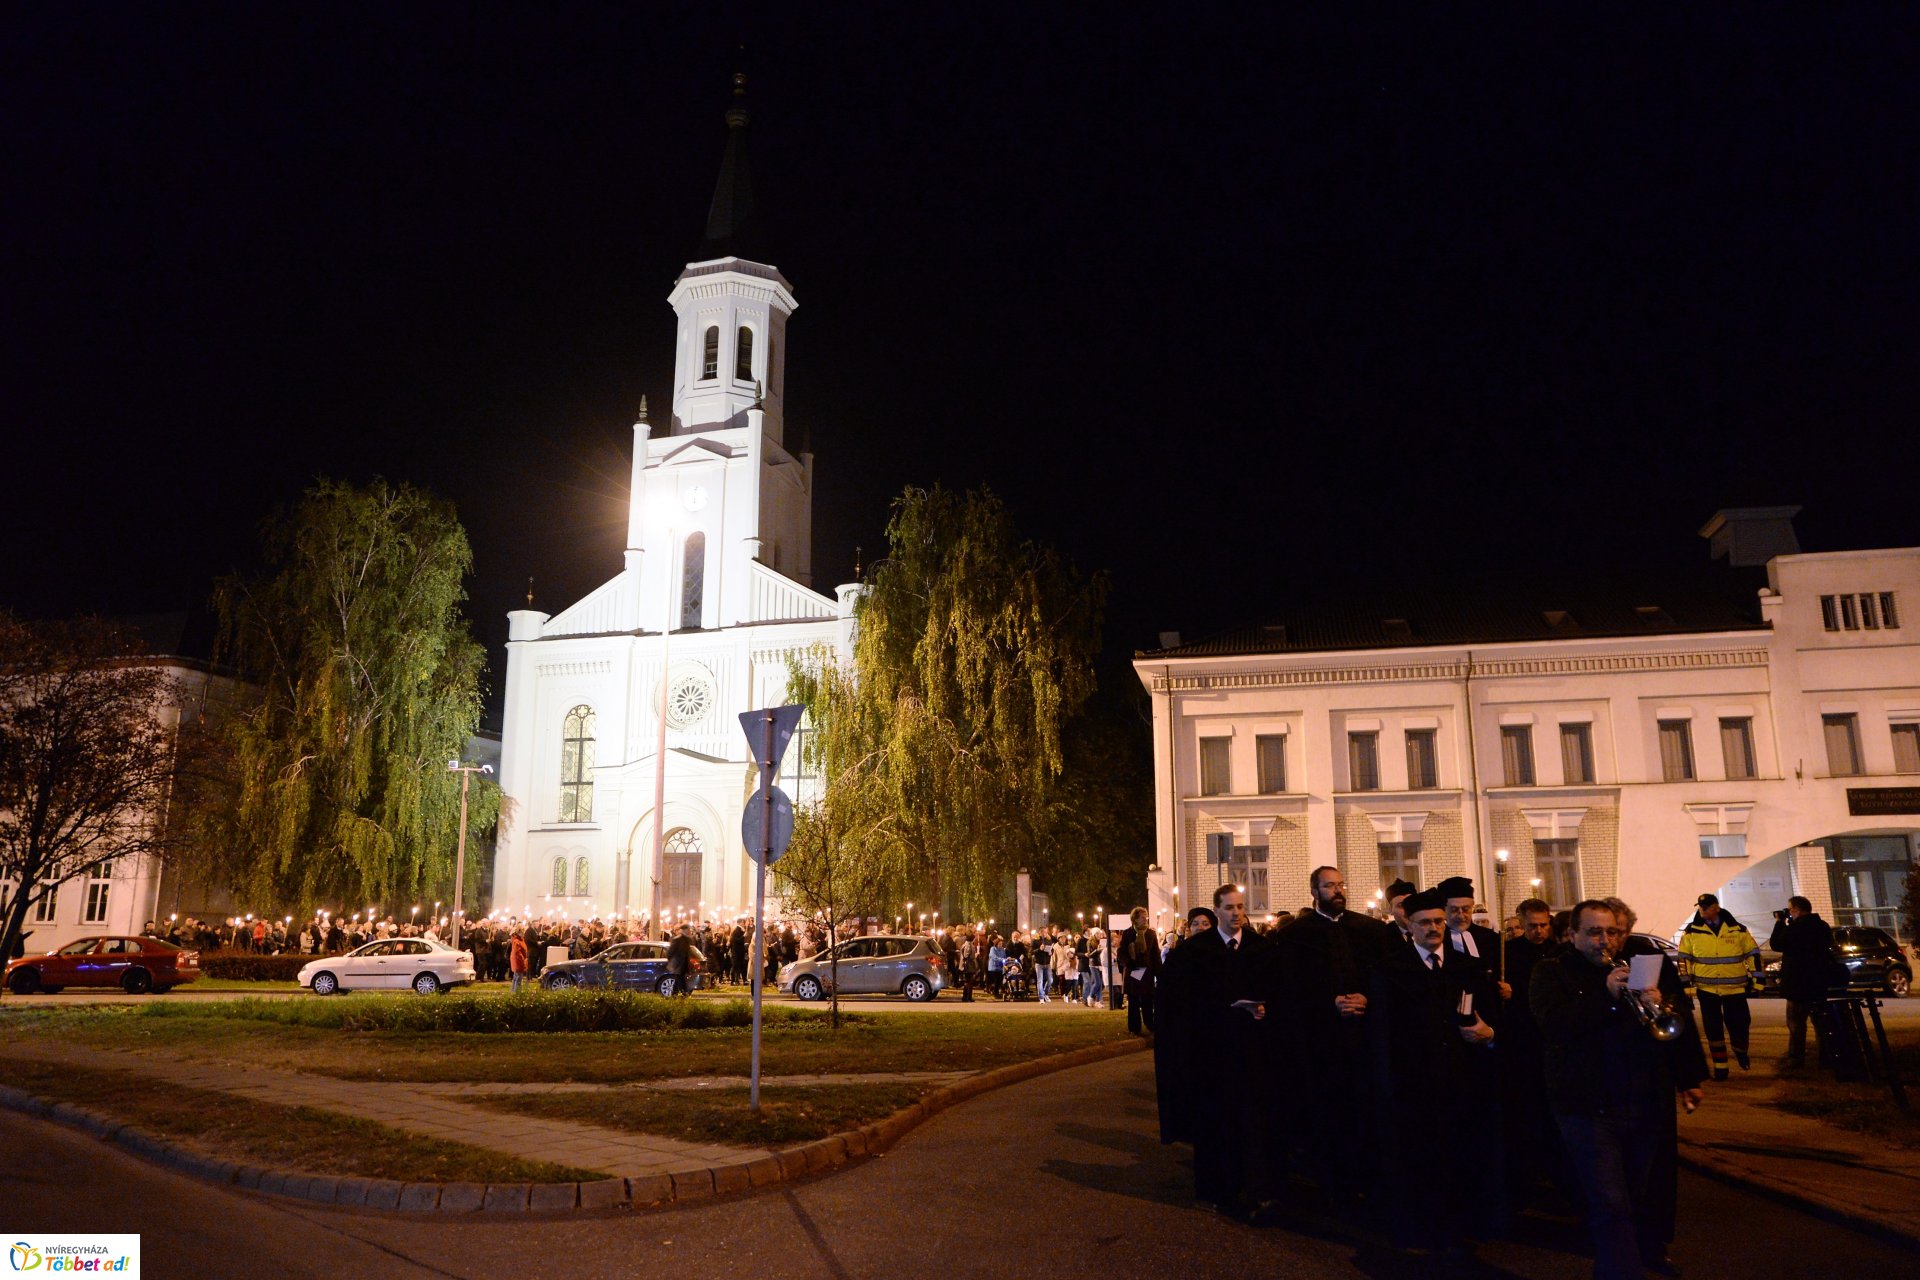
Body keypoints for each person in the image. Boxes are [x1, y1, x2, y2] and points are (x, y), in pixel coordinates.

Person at [1532, 900, 1706, 1280]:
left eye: (1611, 932)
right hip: (1587, 1106)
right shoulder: (1551, 972)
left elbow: (1669, 1030)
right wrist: (1606, 997)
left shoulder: (1637, 969)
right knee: (1610, 1202)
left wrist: (1658, 1004)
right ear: (1573, 935)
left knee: (1635, 1196)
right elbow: (1556, 1025)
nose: (1604, 940)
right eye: (1594, 932)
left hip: (1640, 1102)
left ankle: (1628, 1260)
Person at [1369, 887, 1500, 1255]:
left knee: (1461, 1156)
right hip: (1413, 1085)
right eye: (1425, 922)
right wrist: (1388, 1086)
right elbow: (1381, 1033)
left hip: (1462, 1082)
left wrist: (1489, 1036)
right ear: (1409, 926)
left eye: (1438, 921)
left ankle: (1461, 1226)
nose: (1434, 928)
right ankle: (1419, 1229)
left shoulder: (1467, 969)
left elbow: (1490, 1021)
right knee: (1418, 1161)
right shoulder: (1390, 970)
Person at [1275, 865, 1396, 1207]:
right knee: (1327, 1114)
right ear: (1314, 891)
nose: (1338, 891)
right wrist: (1329, 1001)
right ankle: (1331, 1184)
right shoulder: (1296, 935)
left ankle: (1369, 1179)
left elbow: (1387, 977)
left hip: (1364, 1040)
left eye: (1341, 884)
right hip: (1320, 1043)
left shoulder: (1370, 930)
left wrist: (1367, 998)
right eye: (1330, 886)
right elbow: (1288, 988)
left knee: (1365, 1110)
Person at [1155, 889, 1276, 1219]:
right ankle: (1214, 1188)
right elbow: (1178, 1005)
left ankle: (1252, 1186)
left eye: (1240, 907)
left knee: (1251, 1123)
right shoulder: (1194, 952)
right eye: (1229, 908)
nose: (1236, 913)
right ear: (1217, 910)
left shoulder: (1260, 949)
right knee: (1214, 1122)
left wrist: (1267, 1009)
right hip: (1210, 1055)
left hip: (1252, 1054)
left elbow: (1280, 991)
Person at [1501, 897, 1564, 1212]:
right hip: (1524, 1041)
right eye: (1532, 926)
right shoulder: (1510, 955)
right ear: (1521, 924)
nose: (1539, 931)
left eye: (1543, 925)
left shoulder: (1560, 953)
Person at [1678, 893, 1759, 1080]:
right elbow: (1684, 960)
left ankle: (1741, 1051)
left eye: (1706, 907)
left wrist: (1758, 980)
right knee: (1713, 1029)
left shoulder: (1738, 930)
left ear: (1717, 908)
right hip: (1707, 990)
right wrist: (1686, 988)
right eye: (1700, 907)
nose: (1703, 910)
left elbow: (1752, 954)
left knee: (1740, 1025)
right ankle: (1720, 1067)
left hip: (1735, 989)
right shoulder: (1691, 932)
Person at [1768, 896, 1834, 1068]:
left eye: (1790, 909)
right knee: (1821, 1023)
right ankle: (1826, 1057)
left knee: (1796, 1025)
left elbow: (1776, 943)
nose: (1789, 912)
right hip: (1818, 982)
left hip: (1797, 984)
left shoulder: (1796, 928)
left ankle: (1796, 1058)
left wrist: (1779, 922)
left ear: (1796, 909)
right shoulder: (1822, 926)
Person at [1437, 875, 1510, 1001]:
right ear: (1444, 910)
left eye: (1466, 909)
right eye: (1454, 910)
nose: (1461, 916)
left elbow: (1504, 970)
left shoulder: (1491, 938)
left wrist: (1507, 987)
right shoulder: (1436, 941)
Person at [1118, 908, 1161, 1035]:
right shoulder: (1128, 933)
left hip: (1147, 972)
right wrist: (1128, 962)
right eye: (1143, 917)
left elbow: (1155, 954)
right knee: (1134, 1001)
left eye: (1146, 916)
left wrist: (1159, 973)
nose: (1145, 919)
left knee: (1148, 1000)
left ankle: (1150, 1025)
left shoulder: (1151, 934)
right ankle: (1134, 1028)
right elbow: (1122, 952)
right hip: (1133, 971)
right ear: (1135, 919)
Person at [664, 923, 701, 997]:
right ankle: (685, 993)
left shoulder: (688, 939)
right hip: (678, 964)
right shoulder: (677, 940)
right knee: (680, 980)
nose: (689, 931)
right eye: (688, 930)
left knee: (678, 980)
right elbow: (670, 952)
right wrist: (673, 961)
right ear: (684, 930)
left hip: (684, 964)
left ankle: (674, 995)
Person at [507, 928, 529, 994]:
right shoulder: (517, 941)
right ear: (519, 933)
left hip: (518, 960)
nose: (524, 934)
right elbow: (517, 952)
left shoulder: (519, 940)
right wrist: (523, 959)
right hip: (518, 961)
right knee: (518, 977)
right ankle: (517, 992)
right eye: (523, 932)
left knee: (516, 976)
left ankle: (513, 991)